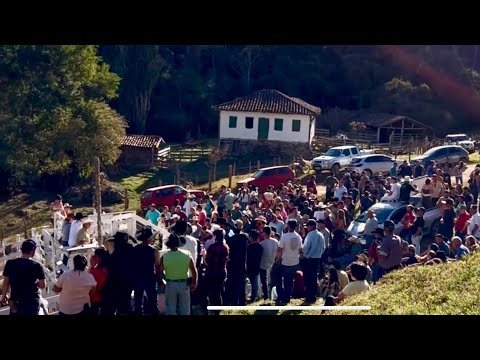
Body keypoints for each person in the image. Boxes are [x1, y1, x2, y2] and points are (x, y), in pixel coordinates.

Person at [0, 239, 46, 315]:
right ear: (33, 250)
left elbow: (6, 283)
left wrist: (3, 296)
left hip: (15, 301)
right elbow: (42, 285)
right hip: (31, 301)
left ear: (22, 250)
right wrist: (36, 282)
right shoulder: (36, 265)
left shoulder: (10, 263)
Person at [159, 233, 198, 315]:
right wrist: (194, 282)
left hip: (170, 284)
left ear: (169, 245)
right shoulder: (187, 254)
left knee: (171, 309)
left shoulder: (165, 257)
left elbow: (160, 272)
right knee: (185, 309)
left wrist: (162, 282)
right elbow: (194, 270)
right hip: (184, 284)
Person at [132, 227, 161, 315]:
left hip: (138, 278)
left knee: (137, 302)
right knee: (152, 301)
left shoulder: (134, 249)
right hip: (149, 277)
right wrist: (159, 278)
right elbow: (157, 266)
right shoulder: (154, 251)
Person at [275, 219, 302, 305]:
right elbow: (300, 250)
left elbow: (280, 250)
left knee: (277, 277)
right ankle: (287, 297)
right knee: (289, 280)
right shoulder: (298, 237)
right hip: (294, 261)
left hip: (285, 261)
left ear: (289, 226)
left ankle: (281, 294)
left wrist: (276, 260)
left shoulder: (284, 236)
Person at [205, 229, 229, 315]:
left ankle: (212, 309)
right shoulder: (225, 247)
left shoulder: (212, 247)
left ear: (215, 236)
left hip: (212, 271)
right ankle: (218, 310)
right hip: (222, 271)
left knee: (212, 292)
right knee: (218, 291)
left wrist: (204, 256)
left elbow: (207, 260)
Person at [225, 220, 249, 306]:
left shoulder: (231, 240)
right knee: (241, 283)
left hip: (233, 264)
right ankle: (242, 301)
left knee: (234, 283)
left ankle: (235, 301)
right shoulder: (245, 238)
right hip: (242, 264)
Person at [302, 219, 325, 303]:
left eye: (308, 226)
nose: (307, 228)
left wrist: (304, 254)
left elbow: (305, 248)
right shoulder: (321, 235)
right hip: (317, 259)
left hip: (309, 259)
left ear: (311, 226)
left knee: (308, 278)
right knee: (314, 276)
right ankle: (314, 295)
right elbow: (324, 248)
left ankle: (309, 296)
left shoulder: (310, 235)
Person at [259, 226, 279, 300]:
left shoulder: (261, 243)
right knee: (273, 281)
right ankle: (273, 295)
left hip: (263, 264)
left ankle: (266, 296)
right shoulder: (276, 241)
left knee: (264, 281)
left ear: (264, 233)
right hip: (273, 263)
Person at [89, 248, 109, 315]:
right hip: (107, 298)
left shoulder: (95, 272)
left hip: (96, 299)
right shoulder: (108, 268)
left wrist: (91, 266)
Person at [246, 230, 263, 302]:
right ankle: (253, 297)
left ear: (251, 237)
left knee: (244, 282)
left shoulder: (248, 247)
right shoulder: (260, 247)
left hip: (248, 266)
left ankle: (244, 296)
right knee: (254, 283)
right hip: (256, 266)